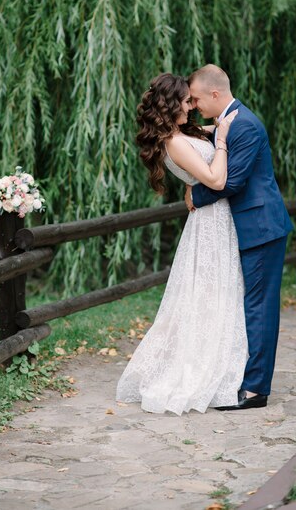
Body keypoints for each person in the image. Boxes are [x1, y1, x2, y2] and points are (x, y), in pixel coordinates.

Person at [115, 72, 248, 415]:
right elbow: (217, 179)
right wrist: (220, 145)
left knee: (216, 293)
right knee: (206, 296)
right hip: (210, 223)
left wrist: (220, 132)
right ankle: (200, 368)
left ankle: (220, 357)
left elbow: (217, 131)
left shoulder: (183, 134)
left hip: (216, 220)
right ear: (171, 104)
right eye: (187, 102)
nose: (192, 106)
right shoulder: (173, 142)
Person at [186, 64, 293, 410]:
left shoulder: (243, 124)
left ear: (215, 94)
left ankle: (256, 390)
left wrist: (193, 198)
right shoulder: (229, 121)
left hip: (261, 227)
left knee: (259, 307)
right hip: (253, 225)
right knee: (252, 304)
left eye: (198, 99)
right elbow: (217, 140)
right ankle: (246, 378)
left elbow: (233, 182)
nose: (195, 105)